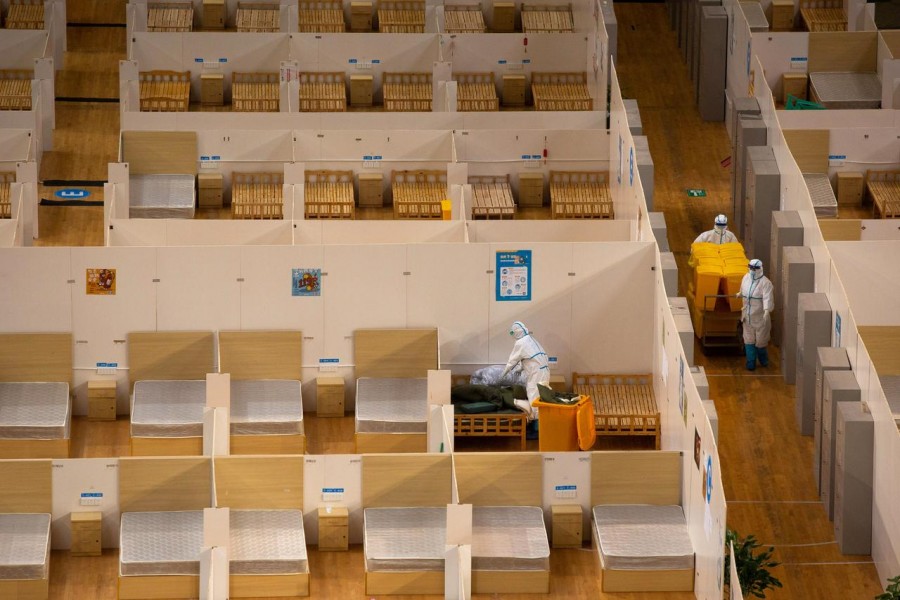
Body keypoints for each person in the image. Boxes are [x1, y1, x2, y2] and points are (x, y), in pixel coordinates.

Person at [500, 321, 550, 404]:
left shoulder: (521, 342)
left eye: (512, 333)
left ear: (516, 332)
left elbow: (512, 361)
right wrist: (520, 368)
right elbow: (532, 358)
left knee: (534, 394)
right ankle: (541, 415)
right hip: (545, 372)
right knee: (543, 396)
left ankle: (535, 417)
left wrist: (503, 374)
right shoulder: (531, 339)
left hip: (536, 374)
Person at [739, 259, 774, 371]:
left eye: (754, 268)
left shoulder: (765, 283)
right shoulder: (746, 278)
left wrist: (767, 310)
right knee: (748, 340)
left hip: (760, 317)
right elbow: (743, 289)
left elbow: (768, 298)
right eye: (750, 268)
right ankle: (751, 362)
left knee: (760, 342)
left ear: (760, 269)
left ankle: (763, 360)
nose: (752, 271)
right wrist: (739, 294)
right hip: (747, 316)